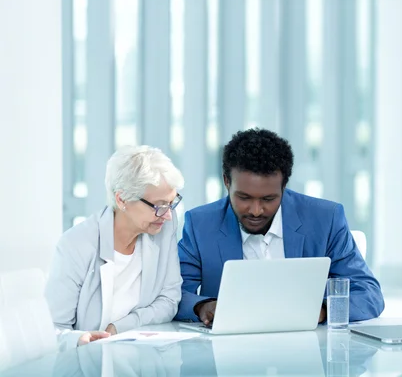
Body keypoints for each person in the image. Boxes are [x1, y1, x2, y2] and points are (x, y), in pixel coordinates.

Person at [176, 128, 384, 325]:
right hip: (227, 352)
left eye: (268, 198)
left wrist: (318, 311)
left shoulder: (325, 219)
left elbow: (368, 294)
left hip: (308, 351)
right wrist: (201, 306)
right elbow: (173, 293)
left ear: (284, 186)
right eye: (244, 197)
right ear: (227, 182)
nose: (256, 210)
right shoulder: (200, 224)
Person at [45, 145, 184, 350]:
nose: (168, 215)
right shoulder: (76, 245)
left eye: (172, 203)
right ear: (122, 199)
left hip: (144, 359)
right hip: (89, 364)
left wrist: (119, 327)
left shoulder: (163, 227)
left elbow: (170, 300)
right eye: (160, 205)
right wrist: (76, 339)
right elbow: (53, 329)